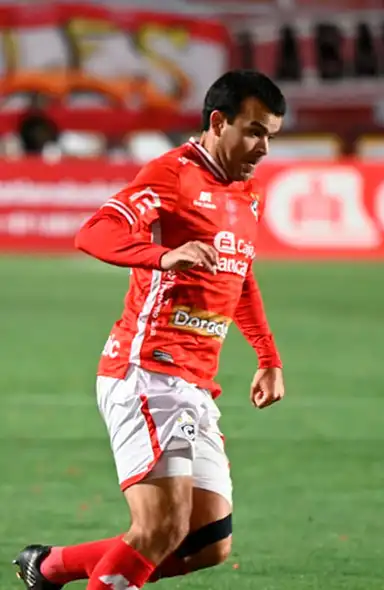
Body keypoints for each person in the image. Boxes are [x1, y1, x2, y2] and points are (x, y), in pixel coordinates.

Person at [13, 70, 287, 590]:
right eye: (254, 131)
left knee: (207, 542)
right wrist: (163, 256)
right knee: (160, 526)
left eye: (271, 134)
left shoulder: (246, 194)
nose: (263, 147)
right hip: (147, 371)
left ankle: (49, 567)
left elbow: (240, 274)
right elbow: (94, 232)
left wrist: (268, 357)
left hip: (196, 382)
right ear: (217, 121)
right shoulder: (172, 175)